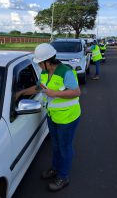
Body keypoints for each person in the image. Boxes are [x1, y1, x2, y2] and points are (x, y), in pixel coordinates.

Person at [16, 43, 81, 192]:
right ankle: (55, 169)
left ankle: (63, 177)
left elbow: (76, 92)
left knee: (65, 148)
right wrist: (21, 93)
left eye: (39, 62)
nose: (38, 65)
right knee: (56, 146)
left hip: (68, 118)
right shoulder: (45, 73)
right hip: (53, 115)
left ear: (47, 61)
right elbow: (39, 87)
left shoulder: (66, 72)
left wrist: (55, 93)